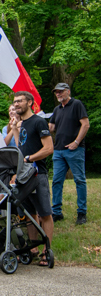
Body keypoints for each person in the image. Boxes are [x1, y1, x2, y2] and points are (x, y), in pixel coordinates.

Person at [11, 91, 54, 266]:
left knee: (45, 214)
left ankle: (47, 251)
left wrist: (30, 159)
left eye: (20, 101)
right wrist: (15, 129)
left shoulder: (38, 121)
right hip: (23, 176)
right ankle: (33, 249)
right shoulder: (22, 124)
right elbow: (21, 149)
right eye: (14, 102)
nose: (16, 104)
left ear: (30, 102)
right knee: (29, 215)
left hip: (38, 174)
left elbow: (49, 148)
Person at [48, 83, 90, 225]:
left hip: (74, 150)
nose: (58, 94)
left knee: (79, 180)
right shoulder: (57, 109)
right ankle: (57, 212)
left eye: (61, 92)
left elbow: (85, 124)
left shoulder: (76, 104)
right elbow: (51, 128)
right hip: (58, 150)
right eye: (56, 92)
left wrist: (76, 142)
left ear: (68, 91)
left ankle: (82, 213)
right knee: (56, 182)